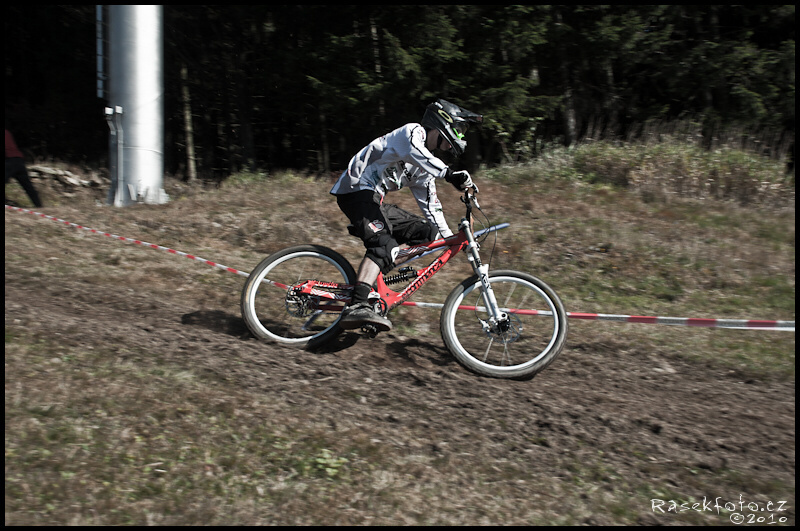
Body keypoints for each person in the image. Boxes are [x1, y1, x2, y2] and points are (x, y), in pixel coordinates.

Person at [330, 99, 483, 332]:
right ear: (443, 123)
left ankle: (374, 277)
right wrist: (449, 174)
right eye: (459, 129)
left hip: (375, 200)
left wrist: (452, 239)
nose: (461, 136)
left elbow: (432, 207)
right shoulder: (412, 132)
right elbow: (416, 152)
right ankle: (358, 305)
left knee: (428, 233)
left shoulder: (425, 170)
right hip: (356, 190)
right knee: (384, 246)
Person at [5, 129, 43, 208]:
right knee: (27, 185)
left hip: (9, 161)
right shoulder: (7, 132)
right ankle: (38, 205)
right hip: (19, 160)